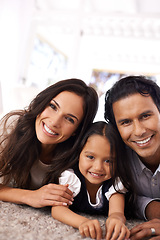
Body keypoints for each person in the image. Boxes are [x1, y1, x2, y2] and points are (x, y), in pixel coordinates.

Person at [0, 78, 98, 209]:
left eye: (69, 119)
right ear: (42, 103)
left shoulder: (78, 155)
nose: (54, 122)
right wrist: (29, 196)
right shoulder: (13, 125)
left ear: (77, 130)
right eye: (53, 106)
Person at [51, 121, 130, 240]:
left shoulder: (115, 183)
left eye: (108, 161)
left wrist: (116, 220)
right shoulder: (71, 178)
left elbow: (117, 212)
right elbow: (58, 209)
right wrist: (82, 222)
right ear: (79, 154)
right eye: (91, 157)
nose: (98, 167)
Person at [104, 75, 160, 240]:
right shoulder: (115, 156)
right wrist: (151, 208)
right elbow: (120, 195)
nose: (139, 131)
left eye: (145, 116)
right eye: (126, 122)